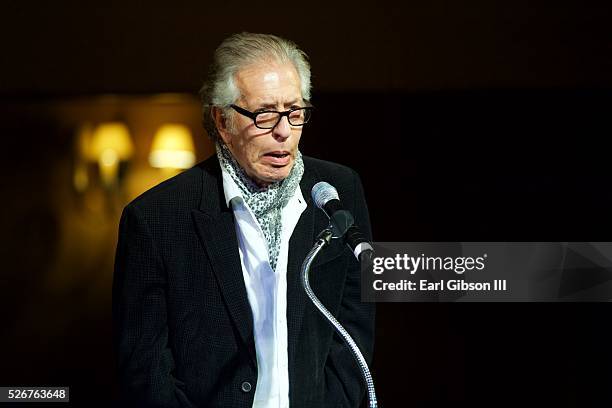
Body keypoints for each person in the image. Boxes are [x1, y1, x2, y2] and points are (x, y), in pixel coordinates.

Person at [112, 32, 374, 408]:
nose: (283, 131)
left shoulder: (338, 189)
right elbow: (145, 368)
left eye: (295, 112)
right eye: (265, 115)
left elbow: (356, 324)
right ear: (222, 120)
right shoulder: (156, 218)